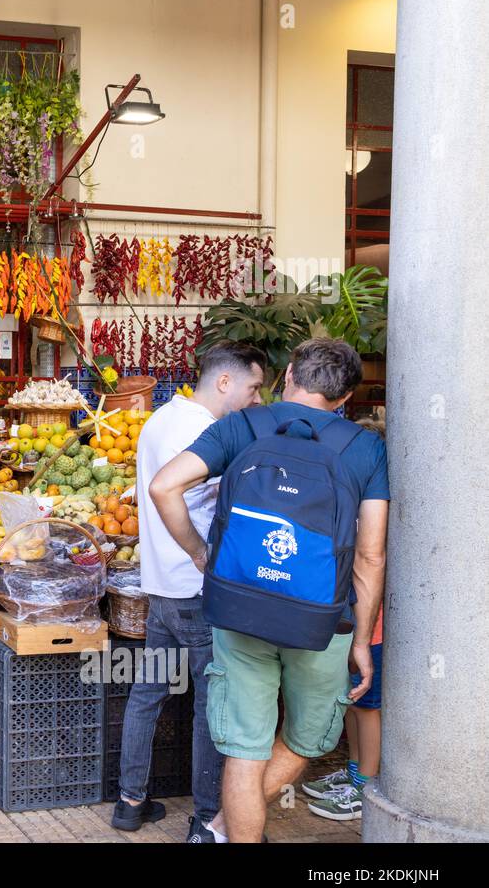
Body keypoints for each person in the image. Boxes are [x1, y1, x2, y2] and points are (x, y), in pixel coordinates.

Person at [149, 339, 387, 843]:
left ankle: (221, 828)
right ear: (345, 399)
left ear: (290, 376)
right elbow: (370, 555)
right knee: (305, 739)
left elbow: (163, 486)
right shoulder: (365, 448)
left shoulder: (243, 426)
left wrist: (200, 554)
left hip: (240, 609)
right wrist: (363, 642)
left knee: (244, 747)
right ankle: (218, 828)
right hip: (324, 621)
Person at [112, 341, 267, 842]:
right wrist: (202, 553)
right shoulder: (207, 431)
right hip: (197, 590)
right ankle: (205, 817)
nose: (253, 399)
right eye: (252, 388)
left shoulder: (159, 418)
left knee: (148, 692)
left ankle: (130, 801)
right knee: (209, 704)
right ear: (225, 382)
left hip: (159, 586)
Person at [303, 415, 385, 821]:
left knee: (368, 704)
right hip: (355, 615)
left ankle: (366, 787)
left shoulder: (378, 512)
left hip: (374, 621)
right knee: (352, 698)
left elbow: (371, 560)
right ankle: (354, 773)